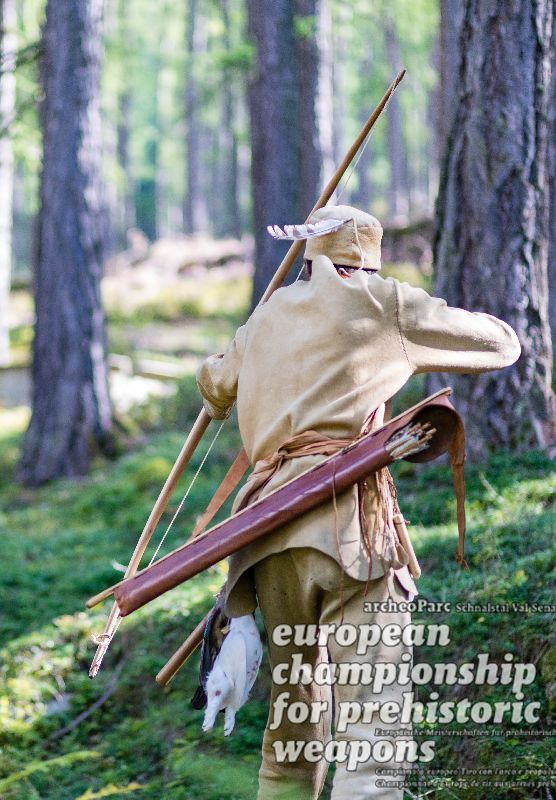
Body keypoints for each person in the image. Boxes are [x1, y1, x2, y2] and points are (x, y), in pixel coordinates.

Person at [195, 204, 521, 800]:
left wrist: (255, 343)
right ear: (366, 255)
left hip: (267, 538)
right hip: (352, 534)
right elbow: (502, 345)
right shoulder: (385, 302)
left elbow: (215, 384)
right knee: (375, 727)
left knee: (293, 729)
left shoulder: (268, 315)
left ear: (312, 256)